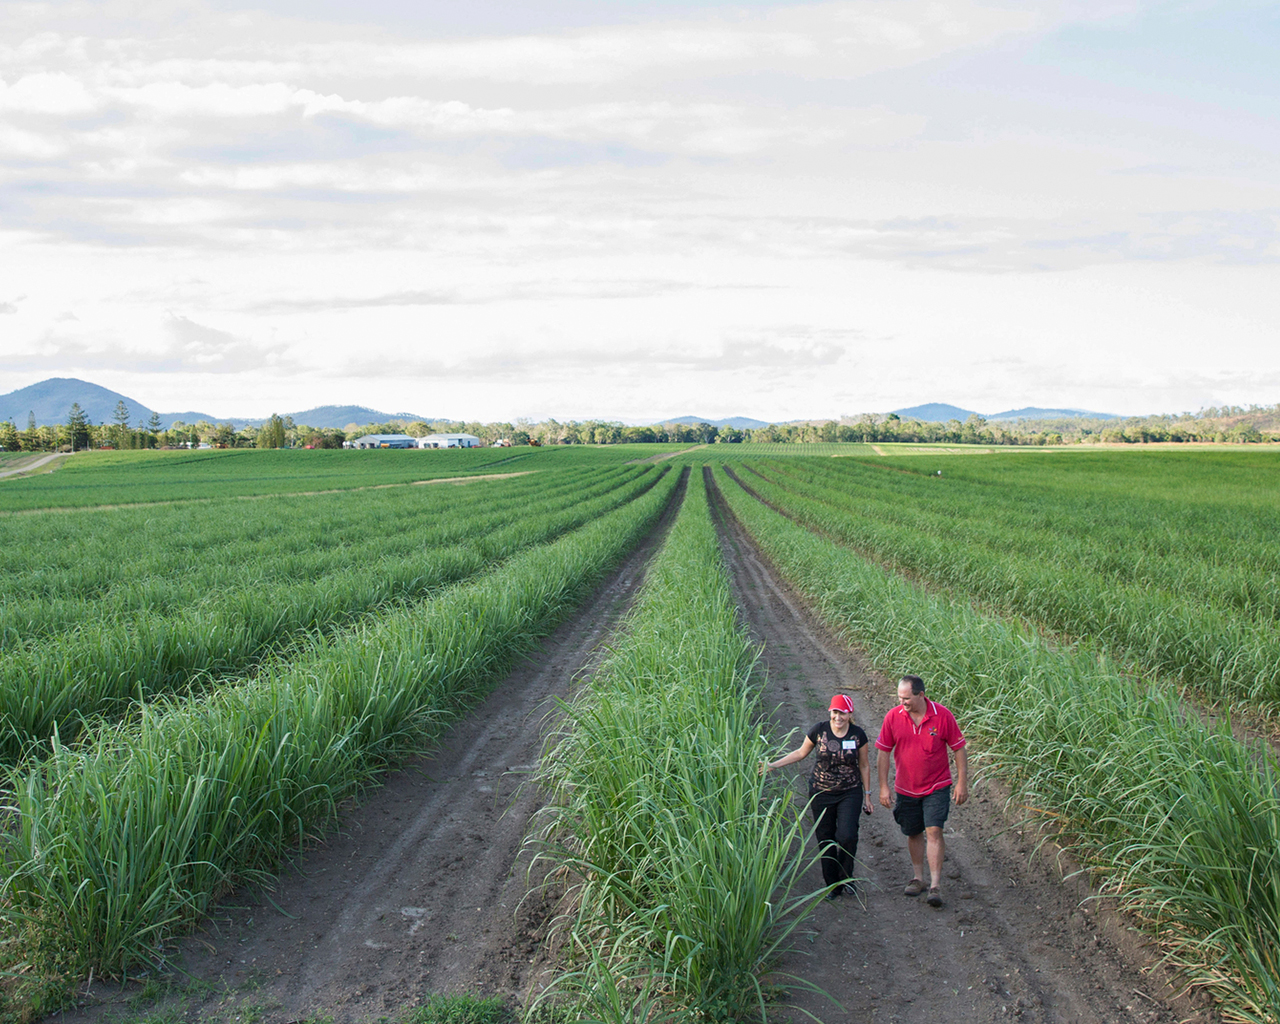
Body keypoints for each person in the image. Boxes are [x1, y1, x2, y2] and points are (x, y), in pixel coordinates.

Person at [761, 694, 873, 898]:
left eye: (843, 713)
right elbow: (800, 753)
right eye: (835, 712)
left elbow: (864, 765)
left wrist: (867, 795)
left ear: (850, 714)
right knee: (825, 838)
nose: (838, 717)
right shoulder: (819, 730)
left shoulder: (858, 735)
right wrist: (772, 765)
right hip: (821, 792)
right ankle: (833, 885)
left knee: (847, 835)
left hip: (850, 791)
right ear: (830, 712)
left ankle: (846, 877)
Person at [876, 674, 968, 908]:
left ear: (921, 695)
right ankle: (918, 878)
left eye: (906, 698)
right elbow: (883, 751)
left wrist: (961, 782)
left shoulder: (943, 716)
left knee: (934, 830)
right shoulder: (893, 718)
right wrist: (884, 786)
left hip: (937, 785)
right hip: (906, 787)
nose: (902, 702)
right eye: (899, 697)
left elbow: (959, 748)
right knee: (913, 831)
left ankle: (935, 885)